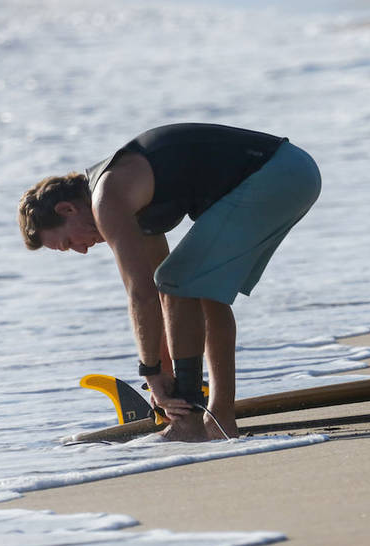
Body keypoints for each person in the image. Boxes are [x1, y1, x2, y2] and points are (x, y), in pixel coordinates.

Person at [17, 123, 321, 441]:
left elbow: (142, 294)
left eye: (68, 242)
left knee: (178, 280)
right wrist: (163, 373)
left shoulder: (107, 198)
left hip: (274, 174)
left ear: (67, 209)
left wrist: (149, 371)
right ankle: (219, 420)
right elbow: (162, 298)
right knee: (200, 291)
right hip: (294, 170)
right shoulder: (129, 198)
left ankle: (188, 425)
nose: (81, 250)